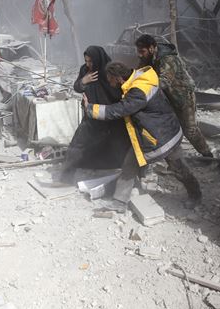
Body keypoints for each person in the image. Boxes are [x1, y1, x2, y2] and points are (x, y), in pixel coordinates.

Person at [83, 61, 202, 211]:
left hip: (163, 136)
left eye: (110, 79)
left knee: (178, 167)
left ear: (118, 78)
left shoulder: (138, 90)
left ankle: (196, 195)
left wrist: (90, 109)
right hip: (149, 134)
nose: (109, 82)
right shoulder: (136, 80)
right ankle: (120, 202)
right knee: (129, 164)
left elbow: (120, 109)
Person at [59, 46, 130, 183]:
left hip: (110, 117)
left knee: (118, 147)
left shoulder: (108, 71)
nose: (88, 64)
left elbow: (119, 92)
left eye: (91, 61)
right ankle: (65, 178)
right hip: (91, 117)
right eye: (86, 61)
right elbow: (77, 87)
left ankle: (120, 178)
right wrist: (83, 81)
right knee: (77, 145)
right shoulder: (84, 70)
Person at [135, 34, 212, 158]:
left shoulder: (168, 59)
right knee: (169, 129)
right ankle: (177, 159)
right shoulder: (147, 57)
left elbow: (164, 81)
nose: (139, 55)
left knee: (190, 131)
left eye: (142, 51)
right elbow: (139, 72)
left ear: (151, 48)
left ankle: (207, 154)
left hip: (182, 96)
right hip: (167, 98)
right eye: (138, 51)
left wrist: (144, 90)